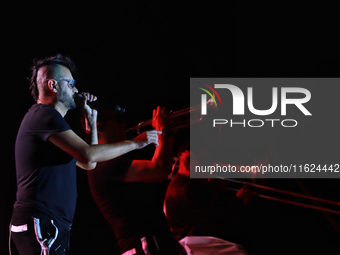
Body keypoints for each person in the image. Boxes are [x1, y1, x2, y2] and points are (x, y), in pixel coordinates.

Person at [10, 54, 160, 255]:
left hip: (48, 222)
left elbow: (87, 163)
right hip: (41, 220)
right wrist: (136, 143)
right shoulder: (44, 115)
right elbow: (89, 156)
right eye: (71, 84)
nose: (76, 90)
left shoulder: (51, 123)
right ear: (53, 86)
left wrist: (91, 124)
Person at [87, 106, 186, 255]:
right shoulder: (103, 163)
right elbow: (160, 169)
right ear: (100, 126)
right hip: (142, 246)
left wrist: (168, 134)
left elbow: (160, 171)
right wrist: (162, 130)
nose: (124, 124)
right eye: (118, 120)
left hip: (153, 242)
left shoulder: (111, 160)